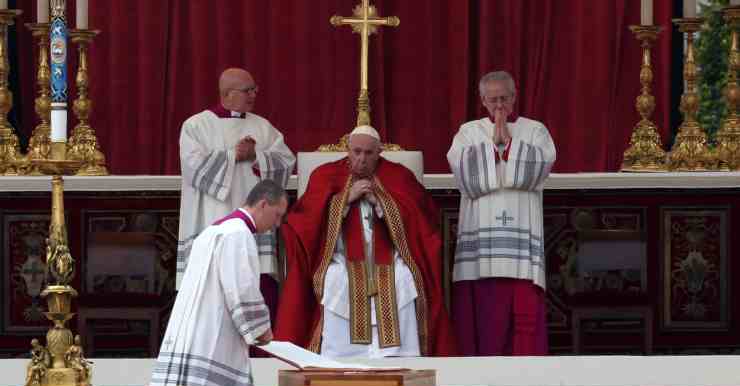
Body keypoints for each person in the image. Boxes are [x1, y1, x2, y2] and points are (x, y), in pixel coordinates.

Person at [128, 180, 288, 386]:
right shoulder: (239, 236)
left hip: (193, 342)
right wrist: (262, 331)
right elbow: (241, 291)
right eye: (278, 215)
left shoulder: (212, 232)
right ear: (263, 204)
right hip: (212, 345)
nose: (277, 225)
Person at [276, 126, 456, 358]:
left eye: (369, 153)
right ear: (347, 150)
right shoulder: (325, 175)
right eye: (356, 152)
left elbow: (422, 220)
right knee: (335, 279)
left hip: (391, 258)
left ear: (379, 152)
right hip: (341, 258)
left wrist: (381, 202)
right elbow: (304, 223)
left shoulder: (399, 176)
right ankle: (340, 355)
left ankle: (398, 356)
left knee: (403, 278)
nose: (361, 159)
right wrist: (345, 200)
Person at [447, 70, 556, 356]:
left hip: (522, 246)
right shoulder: (468, 132)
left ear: (514, 97)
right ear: (482, 100)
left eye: (504, 99)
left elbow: (539, 167)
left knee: (524, 317)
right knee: (484, 316)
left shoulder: (535, 130)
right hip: (482, 247)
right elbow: (466, 176)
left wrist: (508, 144)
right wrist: (494, 146)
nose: (499, 107)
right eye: (493, 100)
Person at [177, 67, 295, 322]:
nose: (253, 95)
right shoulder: (196, 126)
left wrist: (257, 157)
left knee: (259, 291)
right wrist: (233, 156)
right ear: (227, 93)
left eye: (255, 89)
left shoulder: (263, 127)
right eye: (247, 90)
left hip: (255, 227)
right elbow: (193, 168)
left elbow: (286, 162)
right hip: (212, 217)